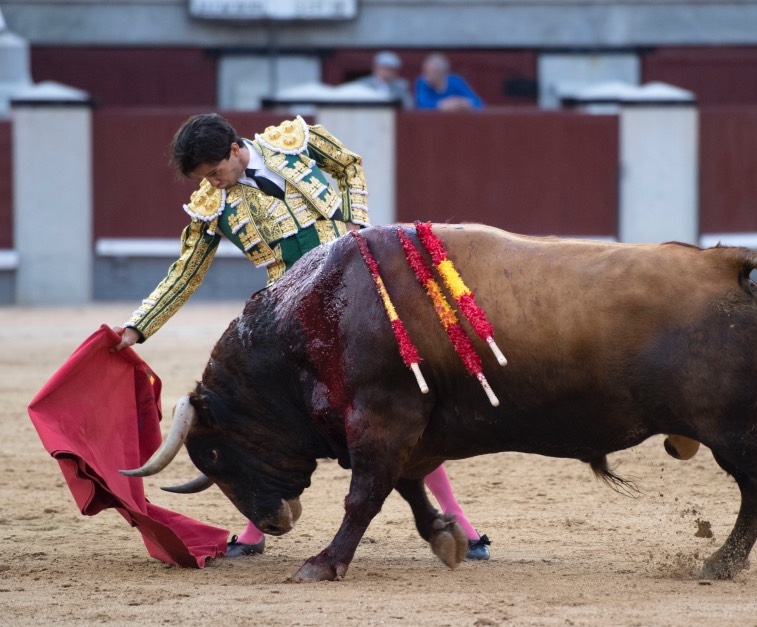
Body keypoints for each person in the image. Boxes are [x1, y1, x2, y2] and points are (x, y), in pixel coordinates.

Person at [113, 113, 491, 561]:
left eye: (216, 173)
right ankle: (255, 533)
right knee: (276, 420)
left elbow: (349, 165)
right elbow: (186, 273)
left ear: (235, 149)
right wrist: (139, 326)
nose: (213, 184)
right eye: (204, 179)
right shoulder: (210, 206)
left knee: (398, 405)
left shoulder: (293, 142)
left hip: (359, 299)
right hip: (291, 318)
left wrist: (355, 225)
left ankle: (460, 525)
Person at [415, 53, 483, 111]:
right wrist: (441, 105)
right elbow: (421, 105)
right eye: (426, 71)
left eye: (433, 72)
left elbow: (477, 103)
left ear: (443, 73)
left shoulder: (455, 81)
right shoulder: (422, 83)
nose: (428, 76)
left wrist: (461, 103)